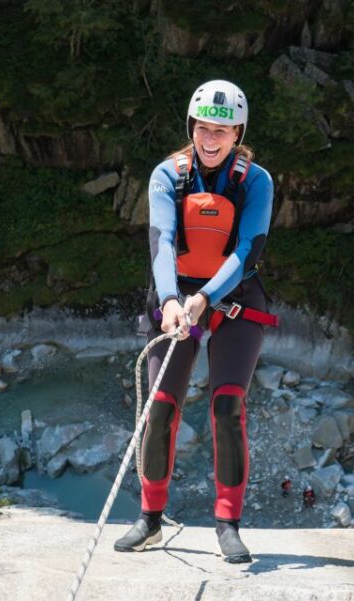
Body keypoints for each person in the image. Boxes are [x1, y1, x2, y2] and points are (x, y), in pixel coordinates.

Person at [113, 80, 276, 564]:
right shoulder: (168, 175)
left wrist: (204, 298)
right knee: (161, 405)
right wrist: (168, 301)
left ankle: (227, 524)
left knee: (228, 407)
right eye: (204, 128)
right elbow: (162, 242)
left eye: (222, 131)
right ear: (192, 127)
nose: (211, 139)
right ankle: (149, 518)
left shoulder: (256, 181)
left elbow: (248, 249)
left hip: (233, 300)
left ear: (237, 133)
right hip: (174, 296)